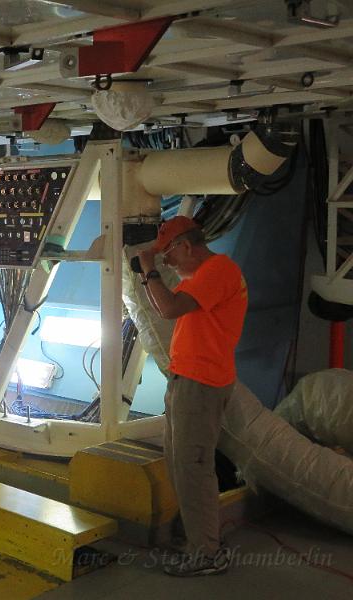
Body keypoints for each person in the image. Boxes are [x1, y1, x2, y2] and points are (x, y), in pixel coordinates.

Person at [136, 216, 248, 577]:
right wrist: (149, 270)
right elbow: (164, 305)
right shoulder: (202, 278)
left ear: (185, 245)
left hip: (201, 385)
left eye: (168, 255)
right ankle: (202, 540)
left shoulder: (219, 271)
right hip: (186, 381)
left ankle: (207, 554)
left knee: (193, 467)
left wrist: (148, 269)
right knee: (181, 465)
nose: (167, 264)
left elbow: (168, 308)